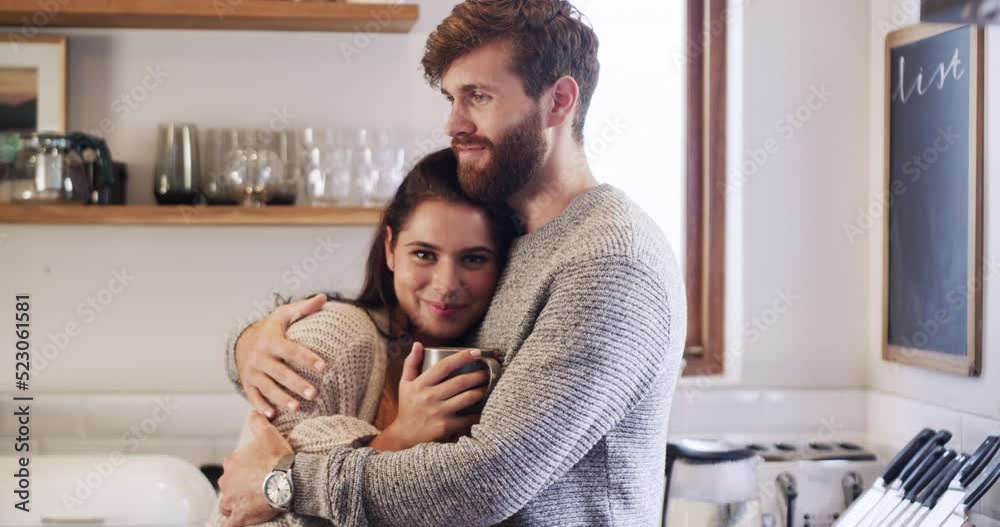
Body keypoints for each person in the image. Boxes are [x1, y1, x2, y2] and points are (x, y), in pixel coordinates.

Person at [218, 1, 687, 525]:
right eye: (451, 98)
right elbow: (392, 323)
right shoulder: (517, 236)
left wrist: (283, 482)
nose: (453, 124)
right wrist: (251, 343)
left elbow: (487, 479)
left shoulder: (610, 263)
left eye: (478, 97)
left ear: (558, 102)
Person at [211, 148, 517, 527]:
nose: (445, 285)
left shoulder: (497, 355)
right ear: (390, 248)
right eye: (424, 254)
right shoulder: (332, 338)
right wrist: (401, 436)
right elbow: (260, 513)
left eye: (473, 259)